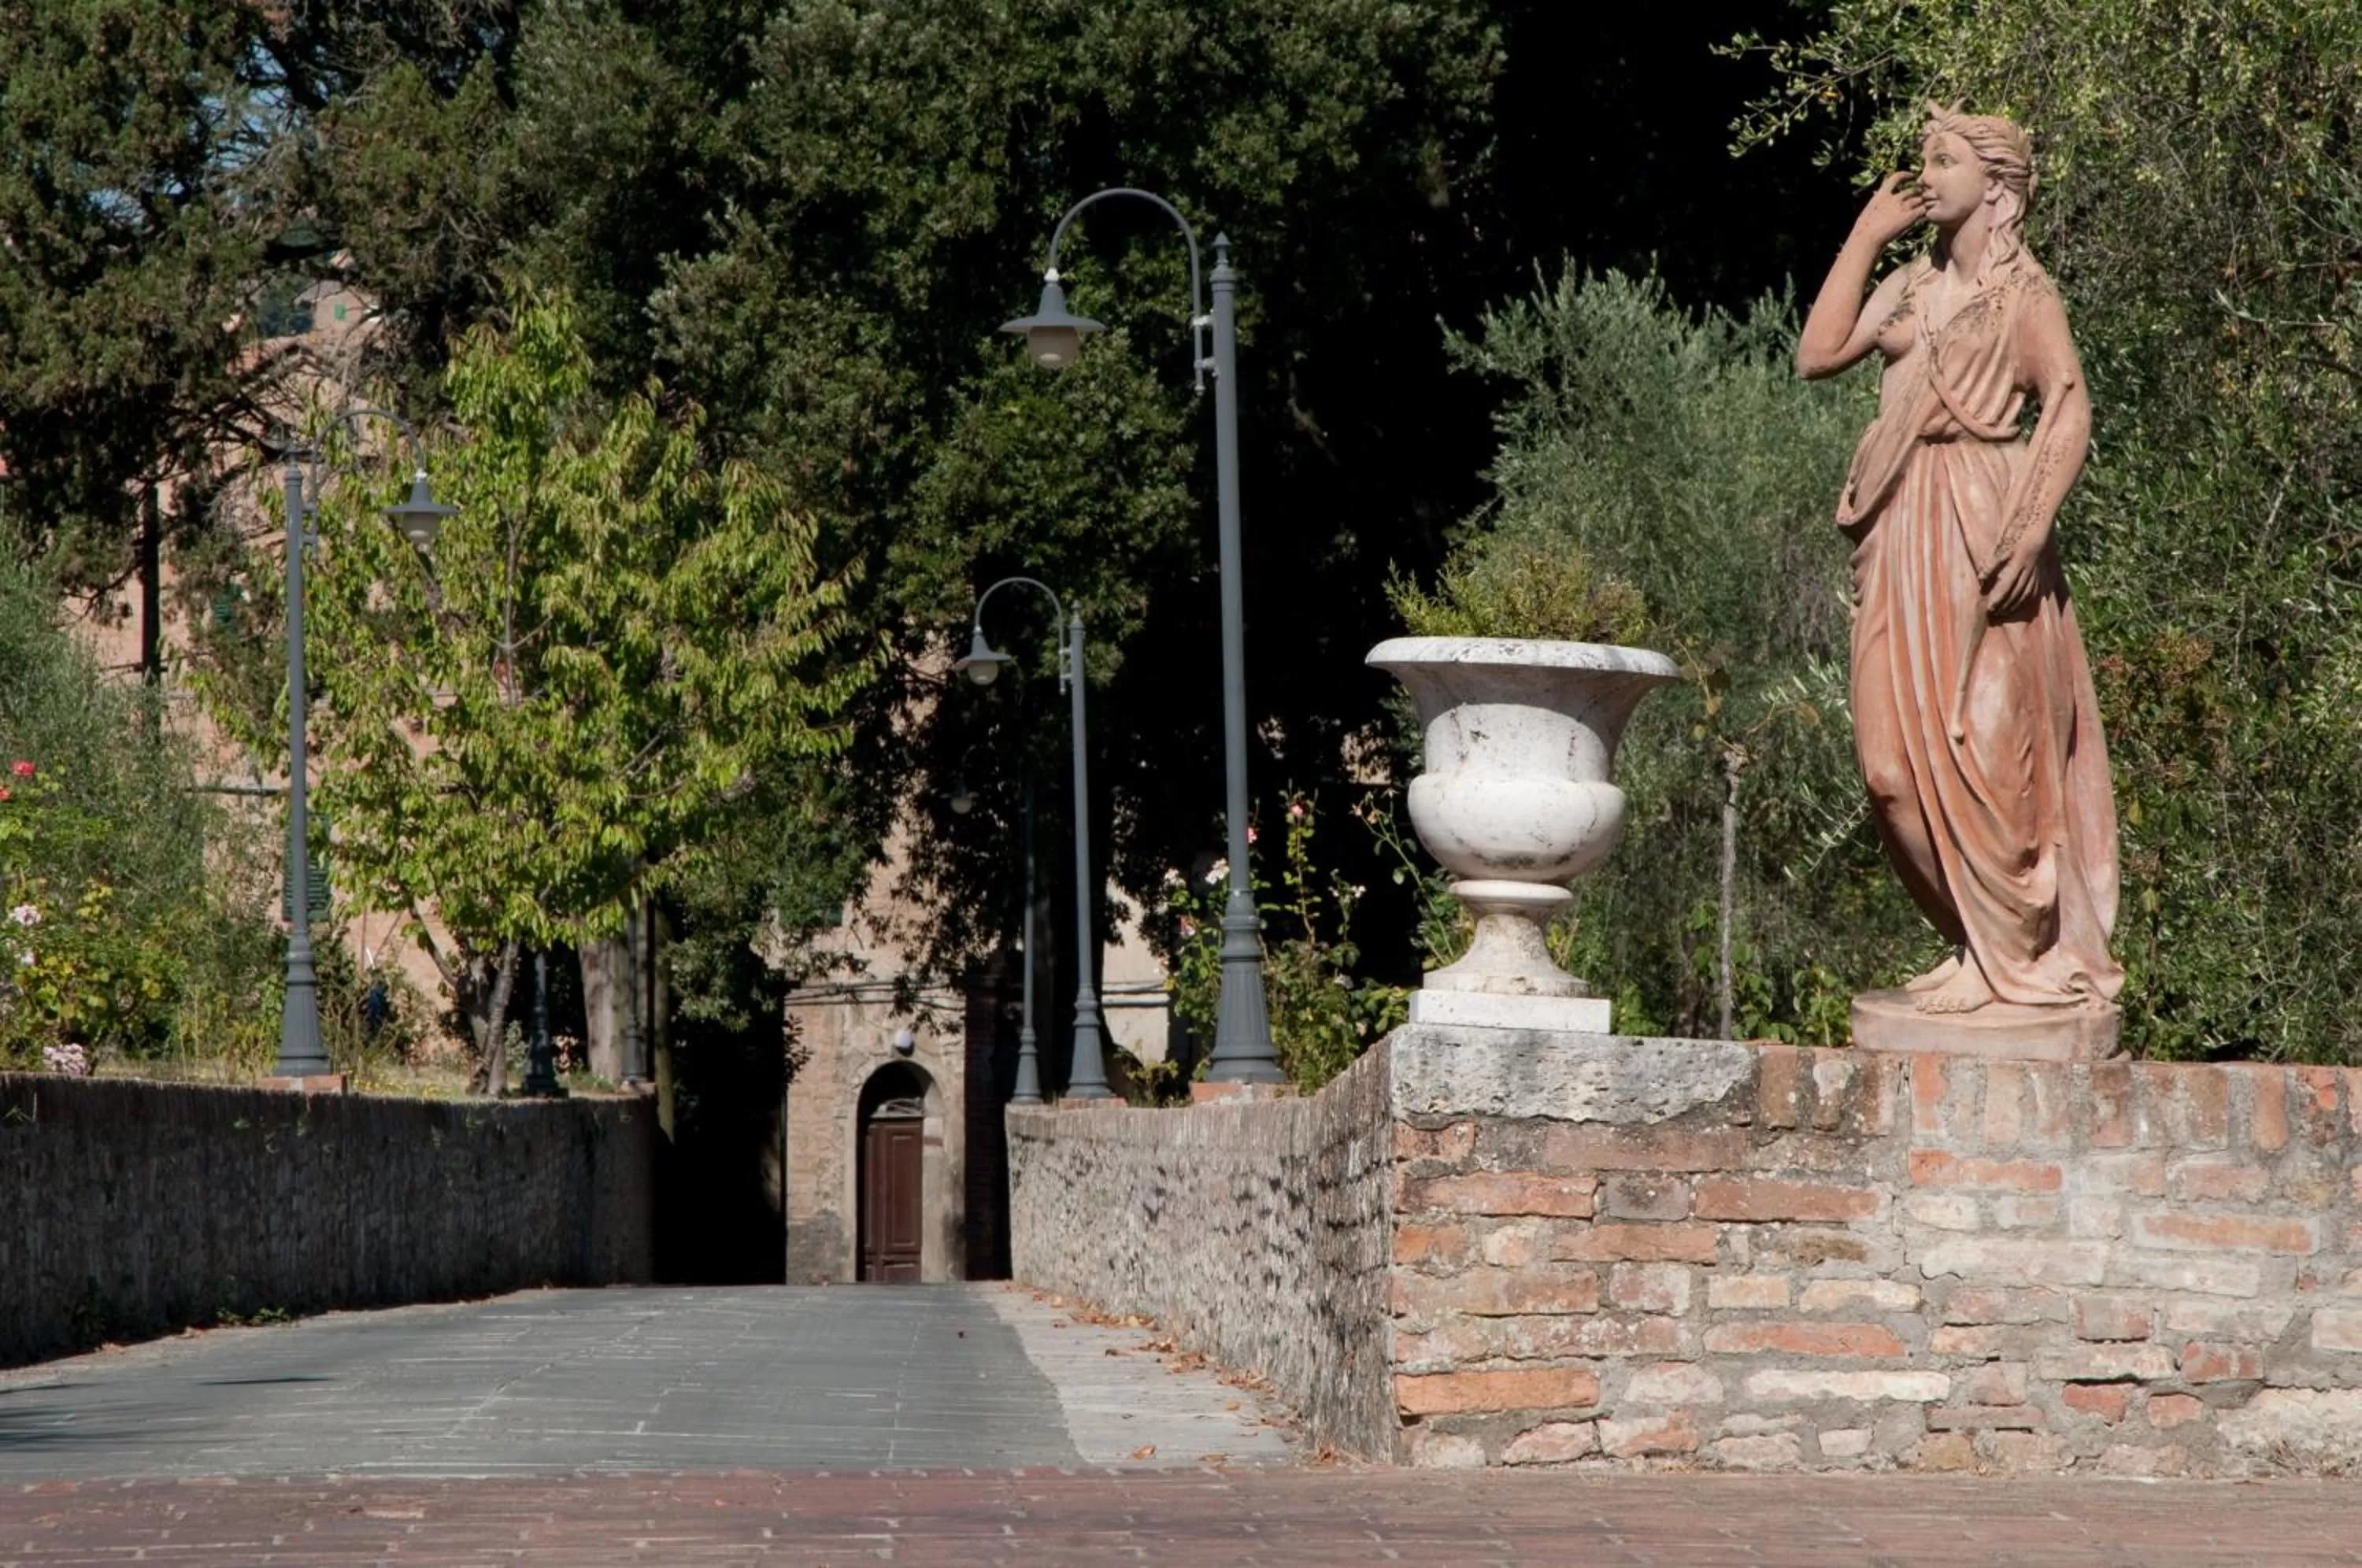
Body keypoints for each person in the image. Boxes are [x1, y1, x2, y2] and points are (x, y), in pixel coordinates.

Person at [1796, 105, 2122, 1018]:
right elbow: (1815, 355)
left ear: (1997, 185)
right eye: (1924, 161)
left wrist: (2028, 529)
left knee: (1988, 751)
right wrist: (1864, 233)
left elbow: (2068, 406)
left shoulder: (2025, 297)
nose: (1927, 175)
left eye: (1945, 161)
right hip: (1899, 530)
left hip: (1982, 524)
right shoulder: (1908, 287)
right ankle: (1975, 940)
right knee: (1889, 773)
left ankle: (2005, 957)